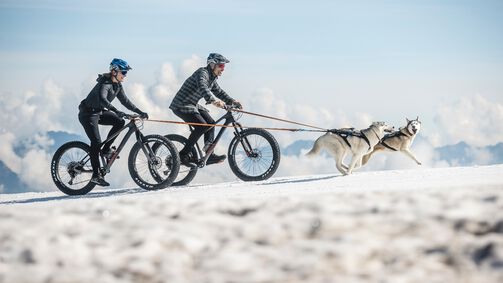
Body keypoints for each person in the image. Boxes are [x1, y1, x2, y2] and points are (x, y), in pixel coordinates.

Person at [78, 58, 149, 186]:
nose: (125, 75)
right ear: (114, 71)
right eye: (124, 72)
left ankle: (106, 150)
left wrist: (140, 111)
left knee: (120, 122)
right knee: (96, 142)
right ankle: (95, 175)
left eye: (126, 73)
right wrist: (116, 110)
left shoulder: (117, 86)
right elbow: (103, 99)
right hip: (87, 114)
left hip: (98, 112)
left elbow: (126, 102)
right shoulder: (105, 83)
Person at [169, 53, 242, 167]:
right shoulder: (202, 73)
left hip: (192, 104)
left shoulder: (212, 78)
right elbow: (203, 87)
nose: (223, 69)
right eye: (221, 66)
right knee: (202, 126)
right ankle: (182, 155)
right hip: (181, 105)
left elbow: (219, 92)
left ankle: (210, 155)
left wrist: (232, 101)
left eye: (224, 67)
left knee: (211, 123)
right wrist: (213, 101)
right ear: (212, 65)